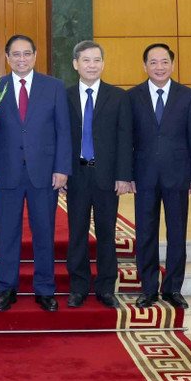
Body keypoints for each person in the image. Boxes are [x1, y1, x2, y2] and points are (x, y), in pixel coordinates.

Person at [0, 34, 72, 312]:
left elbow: (63, 131)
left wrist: (62, 168)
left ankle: (44, 289)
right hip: (6, 173)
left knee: (44, 232)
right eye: (16, 54)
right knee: (7, 234)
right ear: (7, 58)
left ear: (35, 56)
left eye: (26, 54)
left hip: (43, 173)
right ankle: (6, 288)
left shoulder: (54, 87)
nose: (21, 59)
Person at [128, 43, 191, 310]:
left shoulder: (187, 95)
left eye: (164, 62)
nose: (159, 67)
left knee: (177, 234)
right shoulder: (132, 96)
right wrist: (127, 174)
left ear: (172, 64)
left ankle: (173, 288)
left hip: (177, 175)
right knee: (146, 233)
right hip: (144, 175)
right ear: (144, 66)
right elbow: (127, 139)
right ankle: (148, 288)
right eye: (153, 62)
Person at [64, 41, 132, 309]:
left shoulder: (118, 97)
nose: (91, 65)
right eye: (86, 60)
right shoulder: (65, 96)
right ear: (75, 64)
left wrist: (123, 175)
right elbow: (60, 137)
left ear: (103, 64)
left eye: (96, 60)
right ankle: (78, 287)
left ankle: (105, 287)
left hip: (107, 176)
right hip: (76, 175)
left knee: (106, 232)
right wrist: (62, 172)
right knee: (77, 232)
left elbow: (125, 139)